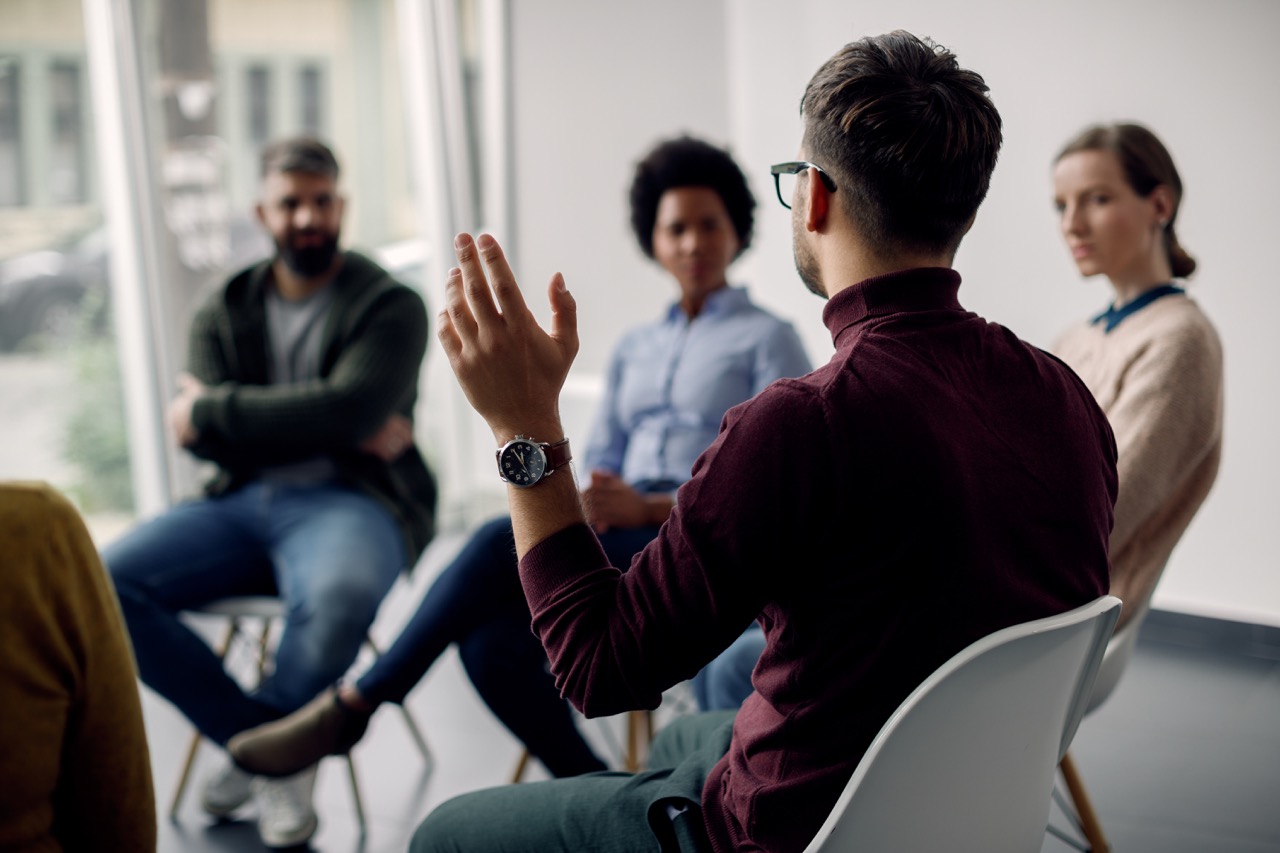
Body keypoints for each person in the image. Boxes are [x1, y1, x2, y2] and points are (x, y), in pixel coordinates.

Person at [411, 29, 1118, 853]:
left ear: (813, 197)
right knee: (686, 736)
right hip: (965, 813)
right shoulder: (1063, 395)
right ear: (963, 208)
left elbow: (598, 668)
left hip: (789, 832)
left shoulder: (801, 425)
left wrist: (521, 426)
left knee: (445, 833)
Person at [227, 135, 812, 782]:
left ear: (738, 231)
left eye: (710, 224)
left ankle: (357, 702)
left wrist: (648, 504)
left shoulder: (768, 338)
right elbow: (600, 459)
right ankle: (594, 787)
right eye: (677, 227)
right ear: (655, 239)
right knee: (489, 642)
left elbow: (773, 484)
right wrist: (594, 500)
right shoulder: (633, 347)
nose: (694, 242)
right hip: (618, 529)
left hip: (695, 536)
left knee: (486, 543)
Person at [103, 136, 437, 849]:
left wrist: (222, 409)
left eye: (322, 201)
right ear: (262, 211)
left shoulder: (392, 305)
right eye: (291, 203)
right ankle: (269, 749)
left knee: (341, 596)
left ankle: (257, 755)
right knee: (103, 581)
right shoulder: (222, 305)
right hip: (238, 501)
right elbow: (210, 438)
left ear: (341, 205)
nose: (307, 216)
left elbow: (337, 410)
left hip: (354, 500)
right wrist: (330, 416)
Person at [1051, 122, 1223, 631]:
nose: (1073, 224)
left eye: (1097, 199)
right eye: (1061, 206)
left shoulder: (1179, 341)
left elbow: (1099, 520)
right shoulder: (1075, 339)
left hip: (1063, 622)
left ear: (1160, 207)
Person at [0, 482, 156, 852]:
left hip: (311, 505)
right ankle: (248, 736)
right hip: (229, 501)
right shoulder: (31, 524)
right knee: (124, 580)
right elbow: (122, 825)